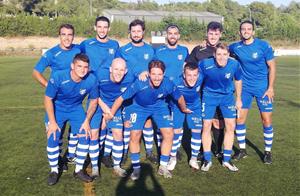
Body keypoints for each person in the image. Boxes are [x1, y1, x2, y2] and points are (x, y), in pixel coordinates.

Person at [106, 60, 191, 180]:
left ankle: (163, 166)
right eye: (154, 74)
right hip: (138, 107)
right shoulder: (140, 83)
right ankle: (136, 168)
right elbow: (120, 99)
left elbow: (180, 97)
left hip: (159, 107)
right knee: (135, 135)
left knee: (169, 134)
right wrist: (111, 114)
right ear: (149, 74)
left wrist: (184, 108)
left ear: (164, 74)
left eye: (160, 74)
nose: (156, 78)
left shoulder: (168, 83)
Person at [44, 53, 98, 185]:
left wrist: (86, 121)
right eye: (79, 66)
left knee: (85, 135)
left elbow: (94, 101)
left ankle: (79, 170)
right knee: (53, 136)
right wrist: (52, 121)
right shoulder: (58, 76)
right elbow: (48, 99)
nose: (82, 69)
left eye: (85, 67)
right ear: (72, 66)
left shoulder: (91, 79)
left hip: (75, 108)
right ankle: (54, 170)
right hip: (57, 108)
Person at [32, 24, 81, 166]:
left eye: (70, 34)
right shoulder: (52, 53)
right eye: (64, 34)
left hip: (74, 99)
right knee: (57, 130)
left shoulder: (78, 49)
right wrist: (49, 85)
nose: (67, 37)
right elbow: (36, 72)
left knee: (77, 128)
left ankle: (71, 155)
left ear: (73, 36)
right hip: (57, 99)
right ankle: (59, 159)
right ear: (59, 35)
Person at [229, 20, 276, 164]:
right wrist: (206, 45)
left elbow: (272, 67)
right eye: (243, 29)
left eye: (249, 29)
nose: (246, 31)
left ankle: (267, 152)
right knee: (240, 119)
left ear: (253, 32)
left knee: (266, 120)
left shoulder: (263, 45)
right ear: (239, 32)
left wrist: (270, 87)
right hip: (245, 89)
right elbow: (221, 50)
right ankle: (242, 150)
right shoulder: (235, 47)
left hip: (263, 88)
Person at [80, 16, 119, 169]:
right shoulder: (86, 44)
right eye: (100, 27)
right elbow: (75, 56)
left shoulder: (114, 45)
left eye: (105, 27)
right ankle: (83, 153)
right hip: (92, 88)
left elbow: (118, 64)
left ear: (108, 29)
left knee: (107, 123)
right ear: (95, 27)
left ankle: (103, 153)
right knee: (90, 120)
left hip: (109, 88)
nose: (102, 30)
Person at [116, 19, 157, 164]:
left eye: (139, 31)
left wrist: (147, 71)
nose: (136, 34)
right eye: (133, 31)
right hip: (129, 92)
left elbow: (155, 68)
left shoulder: (150, 49)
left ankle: (150, 151)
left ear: (143, 32)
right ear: (130, 33)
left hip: (146, 93)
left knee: (147, 122)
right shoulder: (122, 50)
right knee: (128, 122)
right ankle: (125, 151)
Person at [199, 43, 242, 172]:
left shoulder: (234, 64)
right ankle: (207, 159)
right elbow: (197, 80)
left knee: (230, 127)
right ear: (214, 55)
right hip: (209, 96)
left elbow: (238, 80)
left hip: (227, 97)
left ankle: (226, 160)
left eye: (224, 54)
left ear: (228, 55)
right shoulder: (205, 64)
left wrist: (238, 98)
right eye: (219, 54)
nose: (221, 57)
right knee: (206, 126)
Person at [186, 21, 225, 160]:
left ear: (220, 34)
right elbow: (187, 66)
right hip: (202, 93)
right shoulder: (198, 50)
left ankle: (218, 149)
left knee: (218, 123)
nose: (213, 36)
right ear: (206, 34)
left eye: (216, 34)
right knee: (204, 122)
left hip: (221, 93)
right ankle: (203, 149)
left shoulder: (225, 50)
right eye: (210, 33)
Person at [89, 58, 134, 178]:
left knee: (118, 133)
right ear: (110, 69)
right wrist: (105, 110)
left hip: (116, 105)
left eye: (121, 70)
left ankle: (117, 166)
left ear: (126, 71)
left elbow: (121, 99)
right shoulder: (99, 74)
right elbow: (94, 94)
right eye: (116, 69)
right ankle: (94, 168)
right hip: (98, 103)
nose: (118, 72)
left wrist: (110, 113)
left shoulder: (130, 78)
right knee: (94, 134)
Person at [155, 24, 189, 159]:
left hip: (178, 93)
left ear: (179, 36)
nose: (173, 36)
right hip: (162, 93)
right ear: (166, 35)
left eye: (175, 33)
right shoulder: (159, 52)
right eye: (170, 33)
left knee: (177, 124)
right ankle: (161, 148)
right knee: (161, 123)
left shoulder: (184, 51)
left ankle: (175, 149)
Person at [168, 63, 203, 171]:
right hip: (178, 106)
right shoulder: (176, 83)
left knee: (197, 131)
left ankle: (193, 158)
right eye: (189, 75)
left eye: (194, 75)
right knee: (176, 131)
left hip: (195, 107)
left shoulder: (201, 78)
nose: (192, 78)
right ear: (184, 75)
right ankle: (172, 158)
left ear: (198, 75)